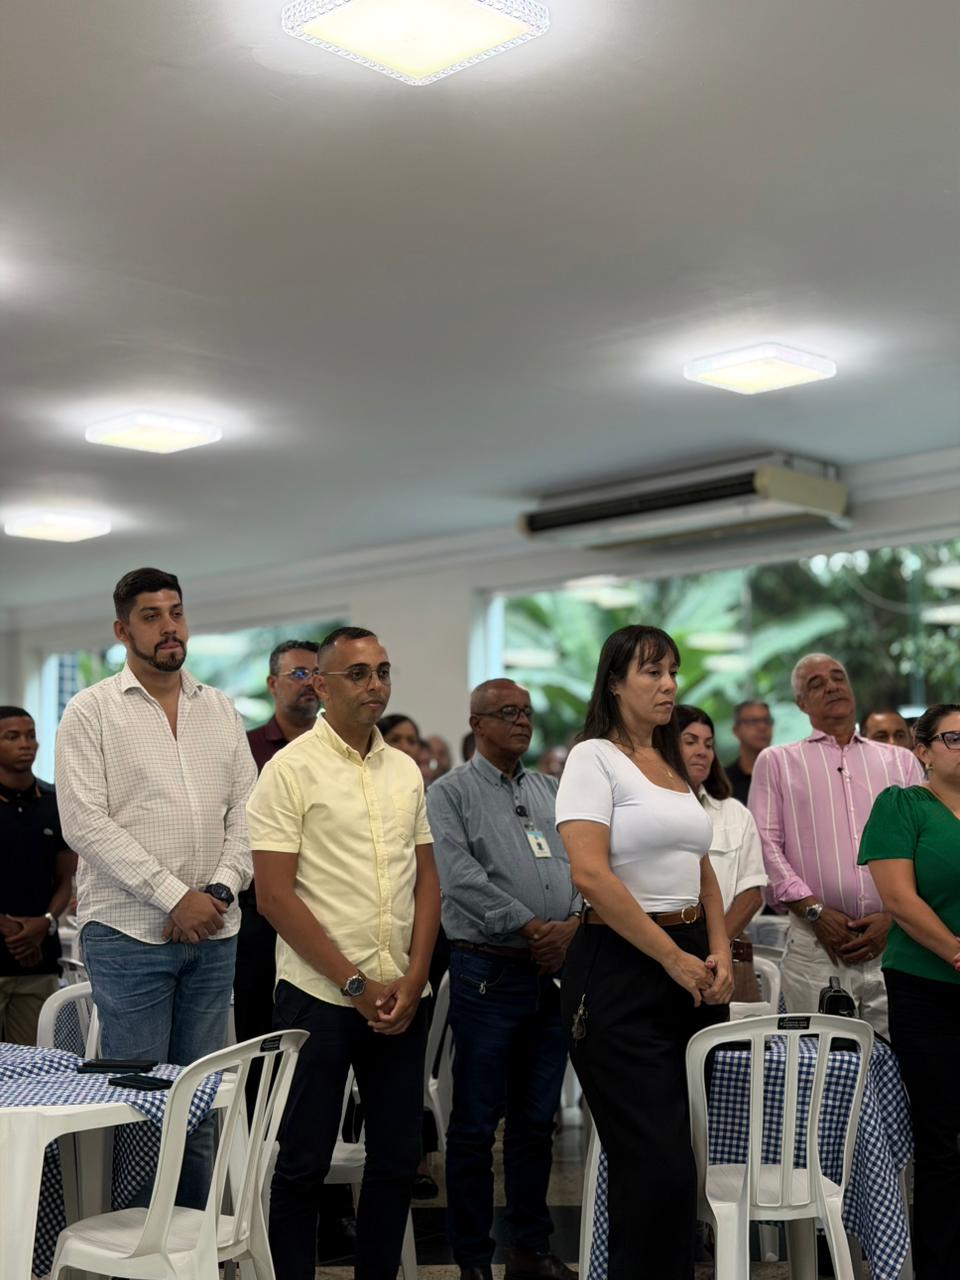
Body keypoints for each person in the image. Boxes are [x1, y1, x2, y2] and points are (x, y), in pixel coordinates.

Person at [55, 567, 256, 1205]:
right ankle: (137, 1248)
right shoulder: (91, 711)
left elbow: (248, 815)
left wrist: (216, 894)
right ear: (123, 630)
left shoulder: (218, 708)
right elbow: (84, 823)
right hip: (127, 935)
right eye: (151, 616)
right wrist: (176, 897)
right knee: (140, 1105)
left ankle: (190, 1243)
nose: (169, 627)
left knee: (199, 1104)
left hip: (214, 931)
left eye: (176, 612)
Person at [247, 626, 440, 1280]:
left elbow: (428, 881)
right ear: (321, 685)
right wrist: (355, 985)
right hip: (320, 995)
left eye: (382, 671)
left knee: (397, 1160)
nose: (375, 685)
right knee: (303, 1162)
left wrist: (416, 974)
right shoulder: (288, 769)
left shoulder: (405, 769)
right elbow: (274, 897)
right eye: (358, 674)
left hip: (401, 995)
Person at [556, 625, 732, 1280]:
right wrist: (671, 957)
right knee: (654, 1165)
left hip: (688, 957)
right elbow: (590, 875)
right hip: (623, 961)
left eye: (673, 672)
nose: (669, 686)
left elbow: (701, 867)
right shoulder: (593, 759)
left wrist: (717, 949)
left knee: (679, 1165)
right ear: (614, 682)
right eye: (652, 673)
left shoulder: (669, 761)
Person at [427, 679, 580, 1280]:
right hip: (487, 972)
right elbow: (457, 876)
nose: (521, 721)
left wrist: (570, 926)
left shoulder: (551, 790)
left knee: (536, 1123)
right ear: (477, 723)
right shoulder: (449, 793)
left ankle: (529, 1249)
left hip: (550, 975)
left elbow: (587, 863)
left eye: (527, 712)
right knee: (473, 1126)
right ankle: (472, 1259)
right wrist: (532, 926)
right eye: (507, 712)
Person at [749, 652, 924, 1035]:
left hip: (896, 942)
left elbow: (923, 844)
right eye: (816, 684)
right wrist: (813, 911)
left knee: (902, 1059)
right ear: (801, 703)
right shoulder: (777, 762)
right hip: (817, 945)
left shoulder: (900, 762)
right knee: (820, 1063)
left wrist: (895, 919)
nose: (831, 686)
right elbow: (765, 845)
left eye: (838, 677)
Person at [858, 703, 960, 1279]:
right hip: (927, 988)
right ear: (922, 751)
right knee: (941, 1138)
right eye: (953, 739)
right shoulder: (900, 805)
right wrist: (956, 951)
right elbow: (898, 898)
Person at [237, 641, 321, 1056]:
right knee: (258, 1034)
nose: (310, 683)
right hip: (260, 909)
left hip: (322, 907)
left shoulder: (335, 751)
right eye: (298, 674)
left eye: (317, 674)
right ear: (272, 684)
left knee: (316, 1030)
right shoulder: (245, 748)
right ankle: (257, 1102)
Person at [676, 704, 766, 1001]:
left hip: (726, 959)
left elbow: (751, 894)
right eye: (690, 741)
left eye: (708, 744)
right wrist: (675, 956)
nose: (702, 751)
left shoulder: (734, 813)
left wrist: (713, 951)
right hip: (663, 957)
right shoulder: (646, 811)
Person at [0, 707, 76, 1044]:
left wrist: (44, 923)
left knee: (34, 1062)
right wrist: (11, 929)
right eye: (12, 737)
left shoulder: (54, 802)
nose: (25, 744)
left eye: (30, 735)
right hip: (15, 943)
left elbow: (65, 880)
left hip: (38, 960)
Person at [724, 699, 774, 805]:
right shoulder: (724, 782)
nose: (762, 727)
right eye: (753, 721)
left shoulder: (785, 772)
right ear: (736, 730)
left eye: (767, 721)